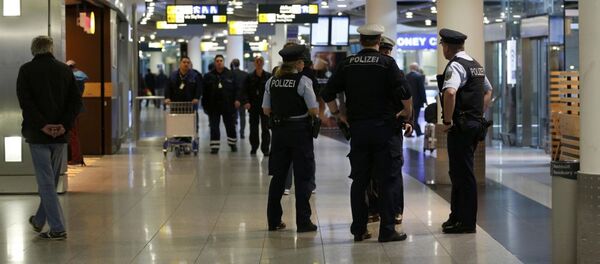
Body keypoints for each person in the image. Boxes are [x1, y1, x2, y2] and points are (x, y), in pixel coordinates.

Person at [321, 24, 412, 243]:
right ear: (379, 39)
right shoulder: (387, 63)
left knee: (359, 180)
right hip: (384, 129)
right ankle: (387, 230)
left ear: (360, 40)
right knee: (388, 179)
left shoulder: (347, 64)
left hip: (359, 130)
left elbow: (327, 92)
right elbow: (404, 92)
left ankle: (359, 229)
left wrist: (338, 114)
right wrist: (406, 113)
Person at [17, 36, 82, 240]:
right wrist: (62, 125)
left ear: (33, 49)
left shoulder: (26, 70)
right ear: (51, 48)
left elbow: (26, 103)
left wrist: (43, 125)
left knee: (46, 182)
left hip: (38, 135)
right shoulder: (64, 70)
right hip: (60, 135)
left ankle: (57, 228)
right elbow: (75, 102)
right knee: (51, 181)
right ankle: (38, 221)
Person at [437, 28, 493, 234]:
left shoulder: (456, 66)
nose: (443, 49)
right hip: (474, 124)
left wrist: (448, 120)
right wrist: (478, 113)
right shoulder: (475, 65)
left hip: (461, 126)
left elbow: (450, 93)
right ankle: (456, 216)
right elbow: (488, 91)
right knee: (459, 172)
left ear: (449, 47)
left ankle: (466, 221)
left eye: (443, 45)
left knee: (463, 174)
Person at [264, 44, 319, 233]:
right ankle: (303, 222)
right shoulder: (303, 81)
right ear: (297, 62)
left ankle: (273, 221)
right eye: (303, 61)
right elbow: (313, 109)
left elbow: (266, 109)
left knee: (278, 176)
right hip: (300, 132)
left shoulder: (272, 81)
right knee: (303, 177)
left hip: (279, 133)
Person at [202, 55, 240, 154]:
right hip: (213, 106)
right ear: (215, 63)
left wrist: (237, 100)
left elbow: (237, 89)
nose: (219, 62)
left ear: (224, 62)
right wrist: (205, 106)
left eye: (221, 60)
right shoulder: (208, 76)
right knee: (214, 127)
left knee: (230, 126)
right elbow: (204, 92)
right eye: (217, 61)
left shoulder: (230, 74)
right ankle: (215, 146)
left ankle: (232, 144)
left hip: (228, 105)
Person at [242, 56, 272, 155]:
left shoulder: (268, 76)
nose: (259, 63)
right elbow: (244, 91)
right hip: (253, 106)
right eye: (257, 61)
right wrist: (246, 102)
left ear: (263, 63)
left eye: (261, 61)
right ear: (254, 63)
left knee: (266, 128)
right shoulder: (249, 77)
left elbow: (272, 91)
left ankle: (265, 148)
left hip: (265, 106)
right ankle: (254, 147)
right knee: (253, 128)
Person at [65, 60, 87, 166]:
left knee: (73, 134)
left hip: (73, 109)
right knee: (74, 134)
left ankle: (76, 159)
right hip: (78, 108)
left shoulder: (73, 78)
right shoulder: (80, 77)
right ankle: (77, 158)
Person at [406, 63, 427, 137]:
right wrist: (425, 100)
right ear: (416, 68)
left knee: (409, 117)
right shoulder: (419, 77)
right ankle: (418, 132)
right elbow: (421, 90)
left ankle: (409, 133)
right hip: (417, 101)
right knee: (416, 117)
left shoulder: (406, 76)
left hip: (407, 101)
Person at [230, 59, 249, 139]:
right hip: (243, 99)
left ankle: (233, 132)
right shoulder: (245, 74)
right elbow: (247, 88)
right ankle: (242, 133)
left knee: (232, 116)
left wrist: (235, 99)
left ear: (233, 65)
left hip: (233, 99)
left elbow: (231, 88)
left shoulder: (231, 74)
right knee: (242, 116)